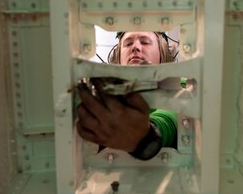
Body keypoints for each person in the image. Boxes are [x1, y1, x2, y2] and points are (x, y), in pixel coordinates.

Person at [76, 31, 178, 160]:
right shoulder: (103, 95)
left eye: (145, 42)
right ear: (118, 58)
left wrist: (145, 136)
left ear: (162, 54)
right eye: (128, 43)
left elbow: (171, 117)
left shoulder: (180, 85)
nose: (135, 47)